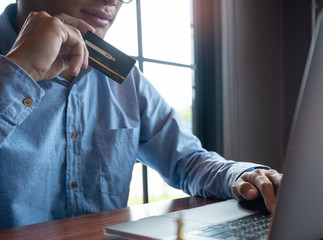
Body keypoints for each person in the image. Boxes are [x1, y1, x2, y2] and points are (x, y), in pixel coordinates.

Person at [0, 0, 282, 229]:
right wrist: (21, 70)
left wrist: (243, 175)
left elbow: (187, 160)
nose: (113, 1)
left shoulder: (124, 79)